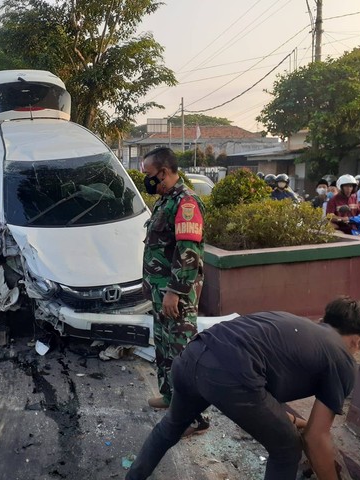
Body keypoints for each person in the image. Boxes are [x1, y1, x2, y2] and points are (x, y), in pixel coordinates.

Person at [125, 296, 360, 480]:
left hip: (192, 356)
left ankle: (133, 477)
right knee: (287, 448)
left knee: (170, 427)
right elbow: (315, 438)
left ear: (325, 320)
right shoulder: (342, 359)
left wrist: (297, 422)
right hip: (230, 375)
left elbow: (264, 404)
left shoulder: (297, 329)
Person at [141, 147, 208, 436]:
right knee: (165, 348)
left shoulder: (186, 202)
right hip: (161, 292)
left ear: (164, 173)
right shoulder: (165, 201)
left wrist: (175, 292)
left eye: (149, 176)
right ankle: (170, 397)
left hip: (176, 296)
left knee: (183, 353)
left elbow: (188, 251)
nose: (147, 181)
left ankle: (195, 418)